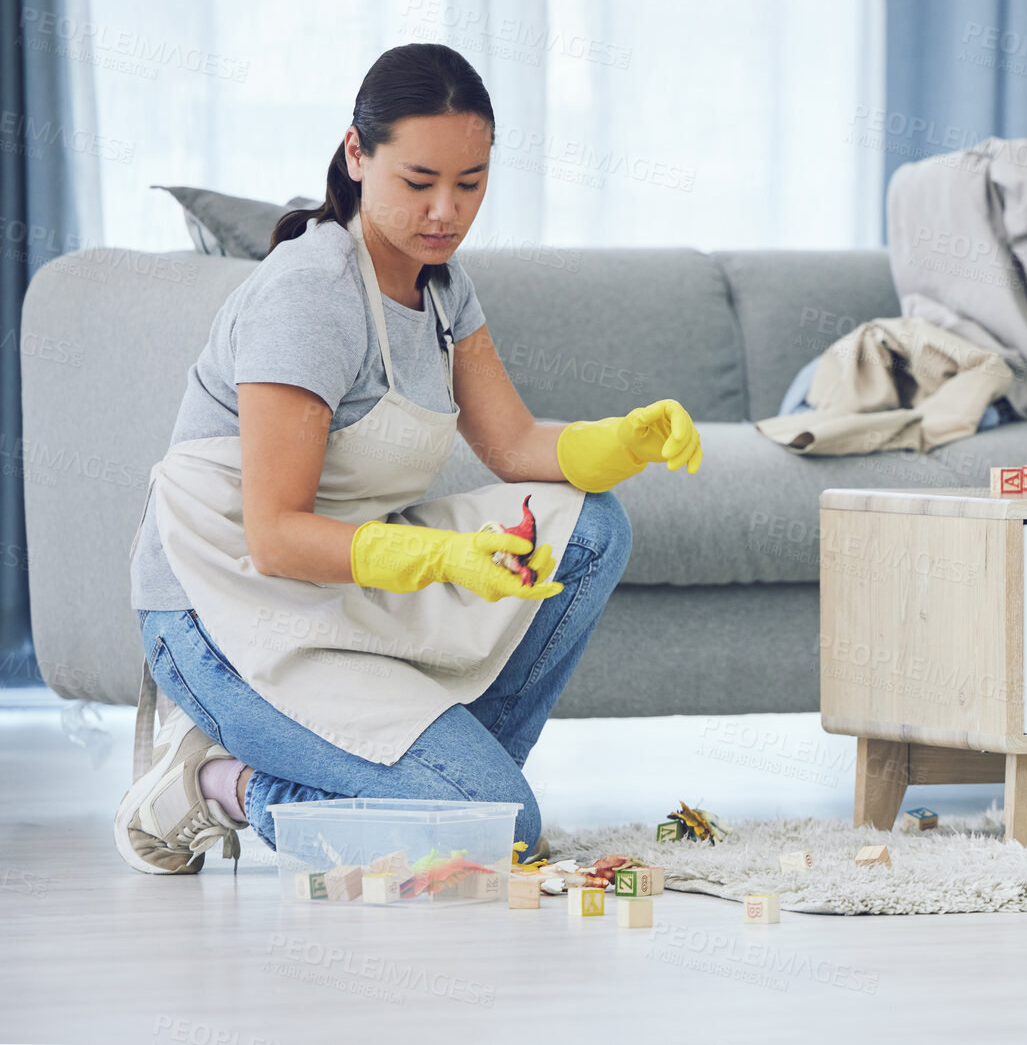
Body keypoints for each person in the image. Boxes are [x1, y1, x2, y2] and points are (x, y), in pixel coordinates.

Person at [115, 43, 702, 876]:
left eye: (470, 183)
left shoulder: (440, 285)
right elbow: (276, 537)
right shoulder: (311, 294)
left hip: (344, 592)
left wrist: (624, 438)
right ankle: (217, 781)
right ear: (357, 154)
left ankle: (447, 791)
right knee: (501, 831)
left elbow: (513, 447)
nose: (445, 211)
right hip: (226, 609)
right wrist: (447, 557)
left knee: (591, 528)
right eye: (418, 181)